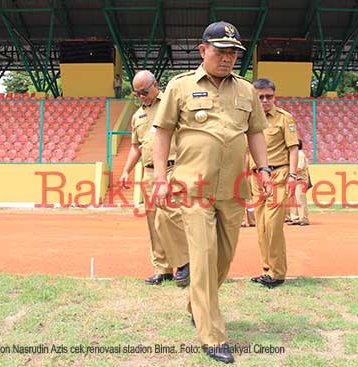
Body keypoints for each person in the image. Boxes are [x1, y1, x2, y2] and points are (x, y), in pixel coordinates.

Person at [152, 21, 271, 364]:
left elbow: (256, 134)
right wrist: (160, 178)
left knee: (223, 259)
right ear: (203, 50)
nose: (228, 58)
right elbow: (161, 133)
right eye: (221, 51)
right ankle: (212, 334)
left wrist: (263, 169)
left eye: (233, 52)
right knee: (203, 257)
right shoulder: (180, 87)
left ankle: (195, 303)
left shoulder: (247, 90)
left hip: (233, 189)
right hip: (194, 187)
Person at [119, 70, 189, 287]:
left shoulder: (170, 103)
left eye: (144, 92)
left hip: (172, 169)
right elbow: (135, 147)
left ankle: (185, 264)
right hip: (149, 172)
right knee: (154, 222)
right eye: (137, 93)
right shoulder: (137, 116)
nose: (141, 97)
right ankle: (162, 269)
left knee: (172, 219)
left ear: (155, 85)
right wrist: (125, 171)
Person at [250, 78, 299, 289]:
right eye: (260, 97)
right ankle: (266, 270)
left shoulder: (284, 119)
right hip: (256, 178)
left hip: (278, 174)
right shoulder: (248, 120)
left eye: (268, 96)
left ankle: (278, 273)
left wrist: (293, 176)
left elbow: (293, 148)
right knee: (260, 226)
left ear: (274, 96)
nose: (264, 100)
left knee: (273, 226)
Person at [289, 139, 310, 226]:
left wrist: (290, 172)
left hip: (300, 179)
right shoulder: (296, 155)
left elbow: (299, 168)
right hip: (295, 179)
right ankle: (295, 218)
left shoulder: (300, 154)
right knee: (293, 198)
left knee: (300, 199)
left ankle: (304, 218)